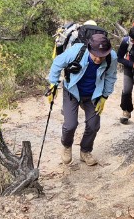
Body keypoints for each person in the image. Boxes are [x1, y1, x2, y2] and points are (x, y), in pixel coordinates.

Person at [46, 25, 117, 166]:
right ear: (90, 49)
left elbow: (111, 77)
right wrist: (53, 84)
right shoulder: (76, 51)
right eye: (96, 55)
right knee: (70, 125)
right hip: (72, 91)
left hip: (93, 94)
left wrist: (104, 96)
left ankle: (85, 151)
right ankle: (67, 146)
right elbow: (57, 63)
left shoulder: (111, 57)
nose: (99, 59)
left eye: (102, 56)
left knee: (93, 125)